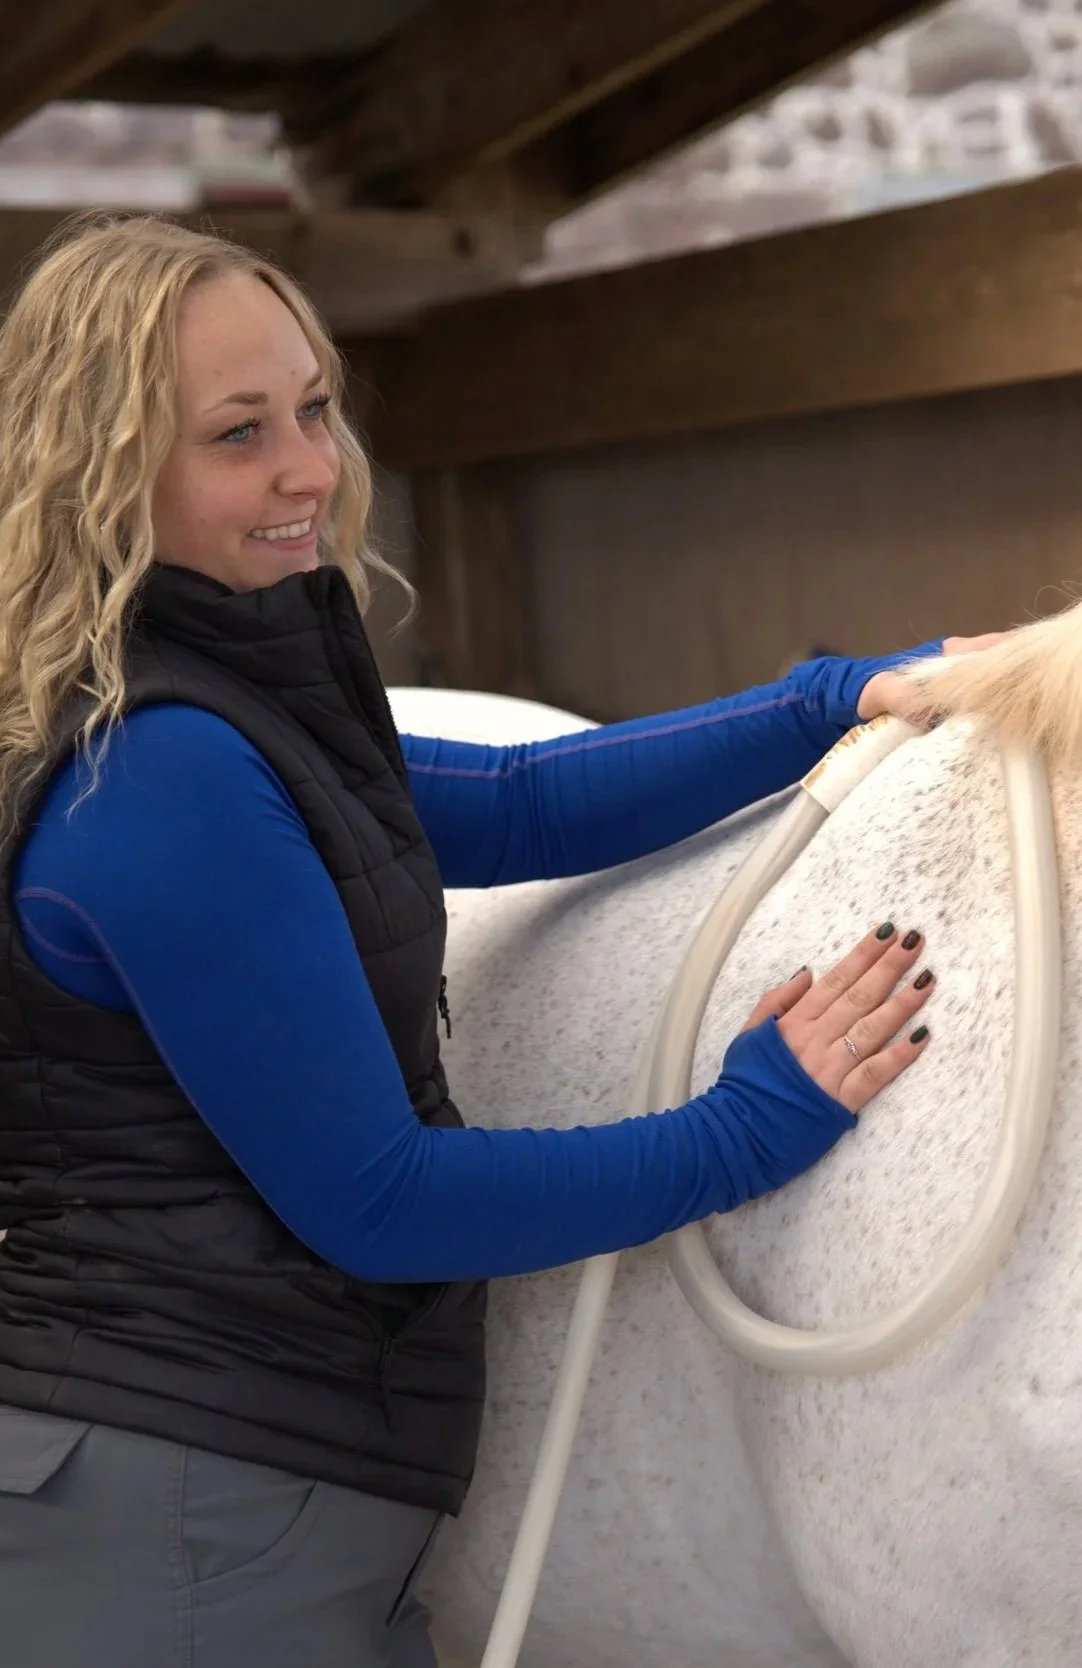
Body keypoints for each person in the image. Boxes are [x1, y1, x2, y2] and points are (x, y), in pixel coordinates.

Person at [0, 214, 985, 1668]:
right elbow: (382, 1201)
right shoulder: (161, 772)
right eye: (237, 433)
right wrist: (748, 1127)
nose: (310, 469)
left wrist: (831, 701)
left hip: (235, 1502)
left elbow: (519, 804)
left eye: (315, 408)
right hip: (185, 1524)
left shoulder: (216, 699)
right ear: (101, 471)